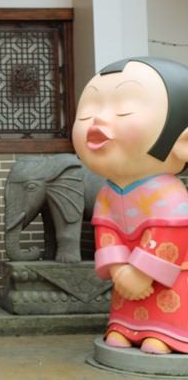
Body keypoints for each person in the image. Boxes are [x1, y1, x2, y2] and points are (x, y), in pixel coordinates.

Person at [72, 57, 188, 354]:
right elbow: (106, 230)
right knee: (126, 305)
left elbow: (171, 235)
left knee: (169, 298)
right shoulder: (108, 193)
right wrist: (118, 268)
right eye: (87, 111)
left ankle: (168, 334)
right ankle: (127, 329)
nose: (98, 120)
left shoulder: (170, 193)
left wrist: (140, 271)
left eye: (123, 109)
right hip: (128, 276)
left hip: (170, 276)